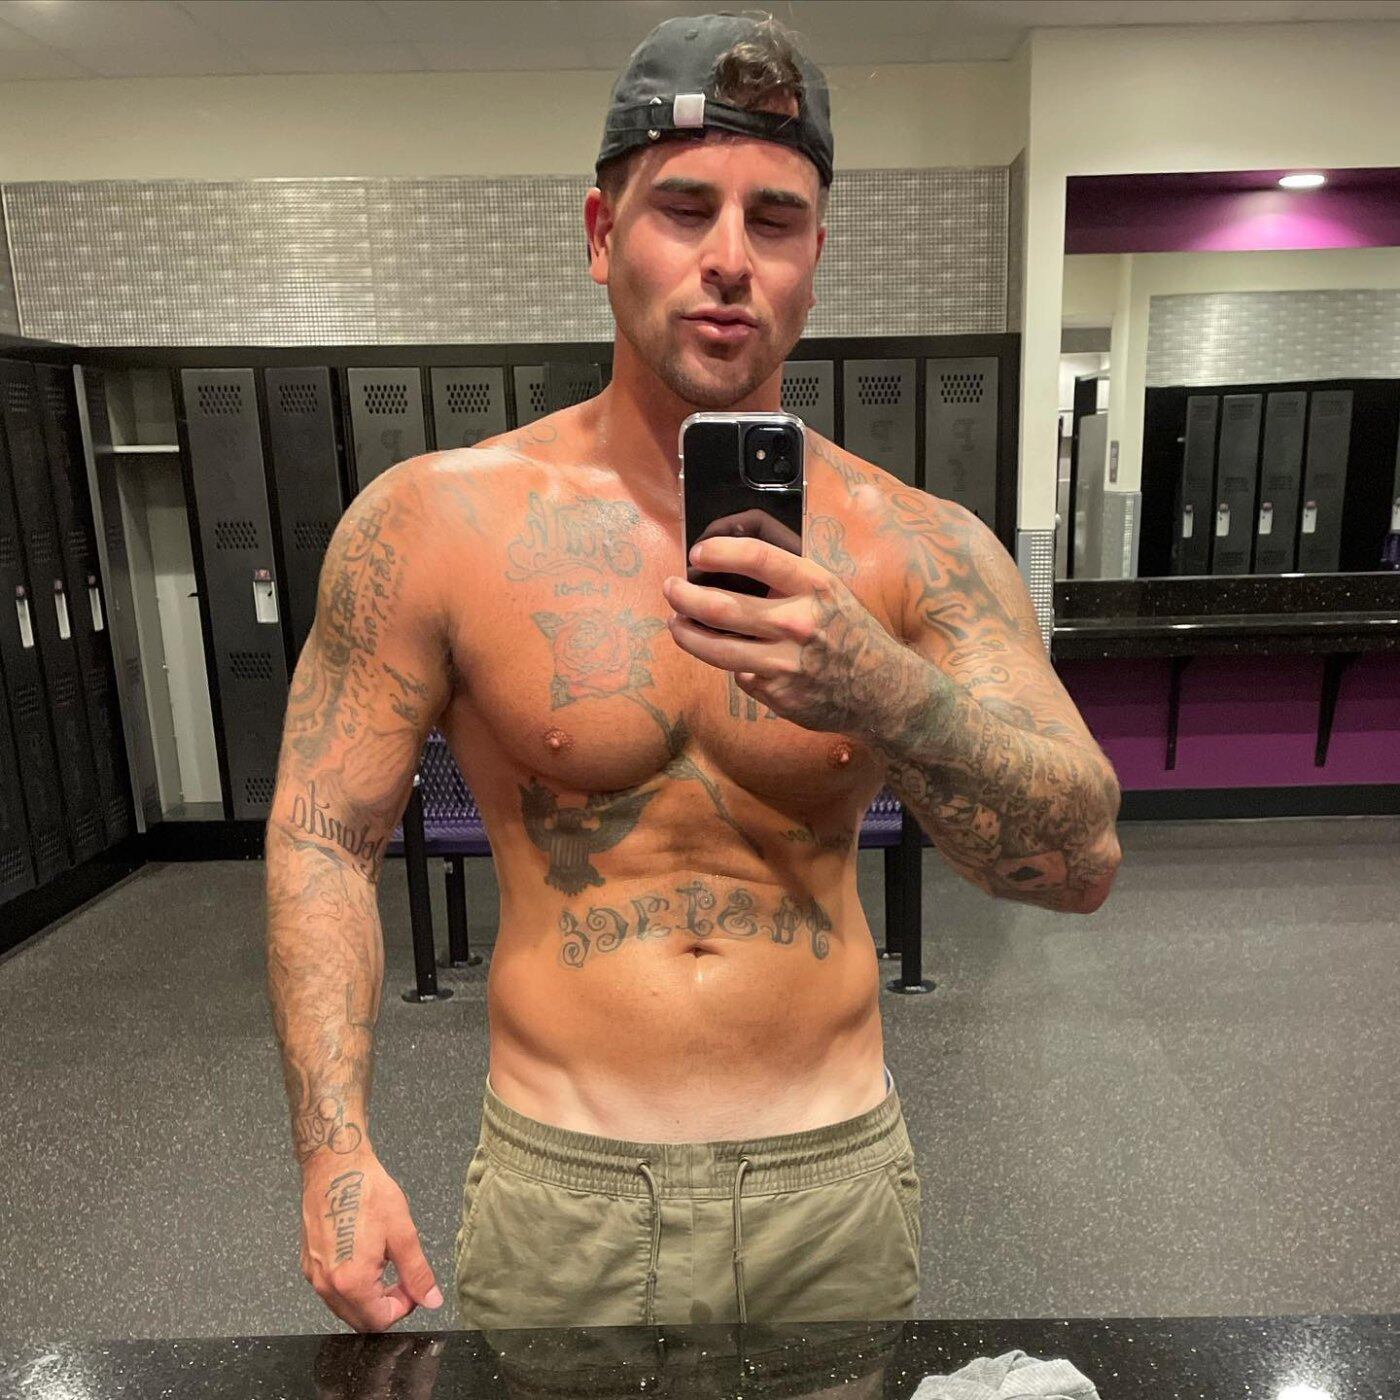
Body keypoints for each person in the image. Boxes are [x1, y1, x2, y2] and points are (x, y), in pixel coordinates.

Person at [264, 11, 1123, 1338]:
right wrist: (334, 1151)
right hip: (562, 1187)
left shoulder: (918, 547)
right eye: (683, 208)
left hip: (829, 1186)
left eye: (775, 219)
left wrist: (892, 695)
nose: (729, 257)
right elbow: (325, 836)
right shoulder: (435, 523)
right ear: (602, 235)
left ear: (816, 259)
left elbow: (1079, 863)